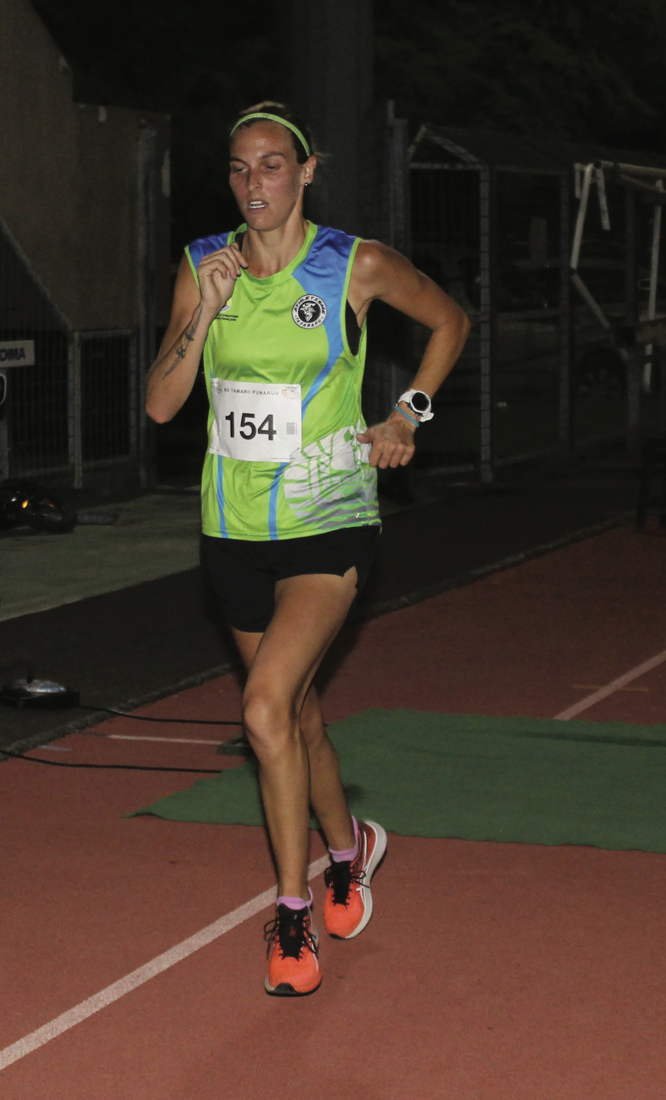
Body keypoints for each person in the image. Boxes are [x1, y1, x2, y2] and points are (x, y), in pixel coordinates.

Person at [146, 102, 469, 997]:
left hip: (329, 519)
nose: (256, 184)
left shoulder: (351, 263)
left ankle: (289, 920)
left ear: (307, 170)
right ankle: (348, 846)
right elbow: (163, 405)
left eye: (272, 166)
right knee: (297, 718)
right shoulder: (201, 266)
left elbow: (450, 323)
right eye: (241, 169)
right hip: (233, 530)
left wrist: (411, 413)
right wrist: (203, 314)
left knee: (260, 709)